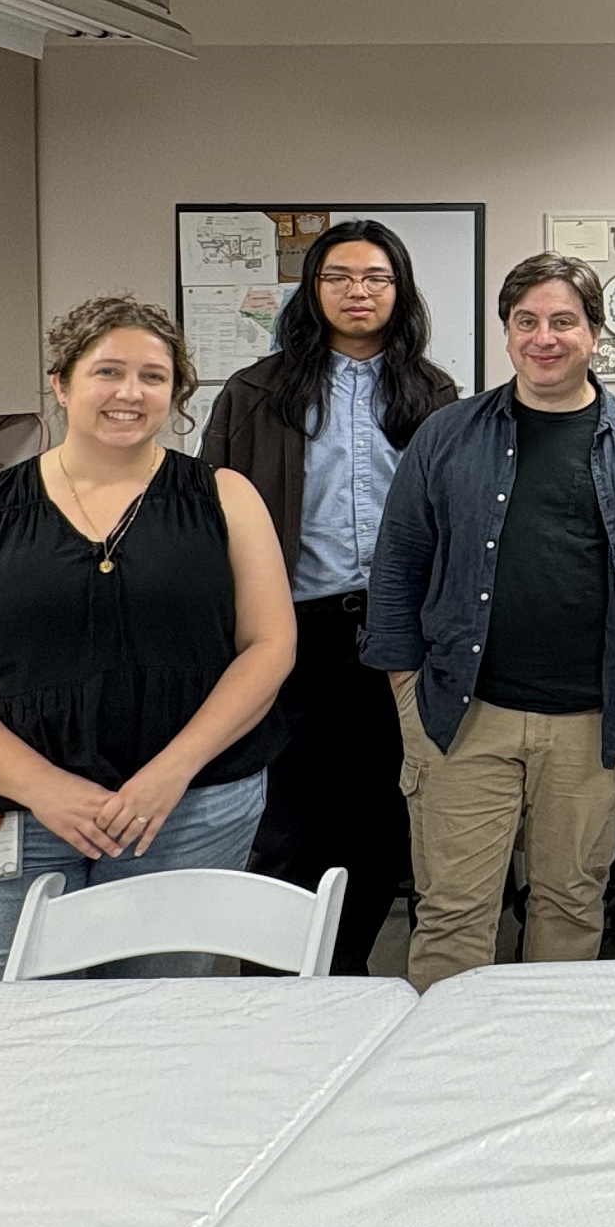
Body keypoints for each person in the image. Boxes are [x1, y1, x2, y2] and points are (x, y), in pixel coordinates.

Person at [0, 295, 296, 980]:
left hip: (184, 809)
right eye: (108, 372)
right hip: (12, 813)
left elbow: (268, 648)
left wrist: (171, 773)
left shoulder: (225, 498)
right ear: (62, 383)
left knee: (151, 1033)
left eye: (153, 376)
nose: (130, 394)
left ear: (177, 391)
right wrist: (46, 788)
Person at [364, 253, 615, 989]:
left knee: (569, 907)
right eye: (526, 322)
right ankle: (449, 1088)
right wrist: (406, 695)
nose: (543, 337)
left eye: (563, 321)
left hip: (596, 724)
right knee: (455, 916)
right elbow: (397, 568)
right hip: (463, 715)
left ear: (594, 334)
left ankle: (545, 1087)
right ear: (506, 331)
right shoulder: (449, 435)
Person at [202, 218, 456, 975]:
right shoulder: (256, 393)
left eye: (375, 278)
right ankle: (275, 990)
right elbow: (206, 519)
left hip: (396, 641)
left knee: (381, 829)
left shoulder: (434, 393)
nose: (358, 292)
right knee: (288, 832)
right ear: (312, 291)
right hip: (291, 638)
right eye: (339, 277)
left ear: (399, 291)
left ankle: (343, 981)